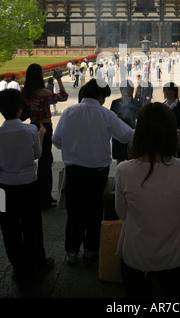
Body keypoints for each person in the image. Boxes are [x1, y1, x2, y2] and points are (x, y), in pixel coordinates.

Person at [115, 102, 180, 298]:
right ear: (172, 132)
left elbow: (122, 214)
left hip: (136, 254)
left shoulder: (124, 170)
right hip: (176, 255)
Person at [52, 78, 135, 265]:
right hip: (97, 172)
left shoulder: (68, 112)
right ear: (99, 96)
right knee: (94, 210)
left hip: (74, 171)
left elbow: (56, 140)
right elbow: (126, 135)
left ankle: (71, 251)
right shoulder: (106, 115)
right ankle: (90, 249)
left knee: (74, 211)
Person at [0, 89, 54, 284]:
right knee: (32, 225)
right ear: (19, 109)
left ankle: (19, 267)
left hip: (3, 189)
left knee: (9, 228)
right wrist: (40, 134)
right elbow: (36, 155)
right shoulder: (29, 130)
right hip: (28, 184)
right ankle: (37, 263)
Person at [22, 64, 68, 210]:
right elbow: (63, 96)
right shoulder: (44, 92)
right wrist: (59, 79)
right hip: (45, 128)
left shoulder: (25, 92)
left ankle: (39, 196)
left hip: (32, 126)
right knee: (45, 163)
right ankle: (44, 198)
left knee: (38, 161)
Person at [110, 80, 141, 164]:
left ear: (131, 91)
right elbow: (110, 119)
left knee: (132, 159)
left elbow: (140, 118)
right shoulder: (115, 103)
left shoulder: (137, 103)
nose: (125, 92)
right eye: (123, 90)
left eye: (127, 90)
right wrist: (117, 117)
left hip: (131, 135)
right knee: (119, 159)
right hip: (118, 135)